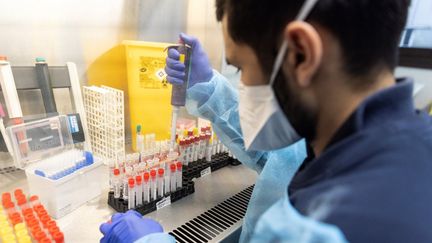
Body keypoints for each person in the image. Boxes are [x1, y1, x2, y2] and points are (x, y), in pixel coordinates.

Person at [100, 0, 432, 242]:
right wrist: (208, 88)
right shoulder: (409, 141)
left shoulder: (310, 230)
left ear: (301, 53)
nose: (243, 82)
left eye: (241, 67)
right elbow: (279, 157)